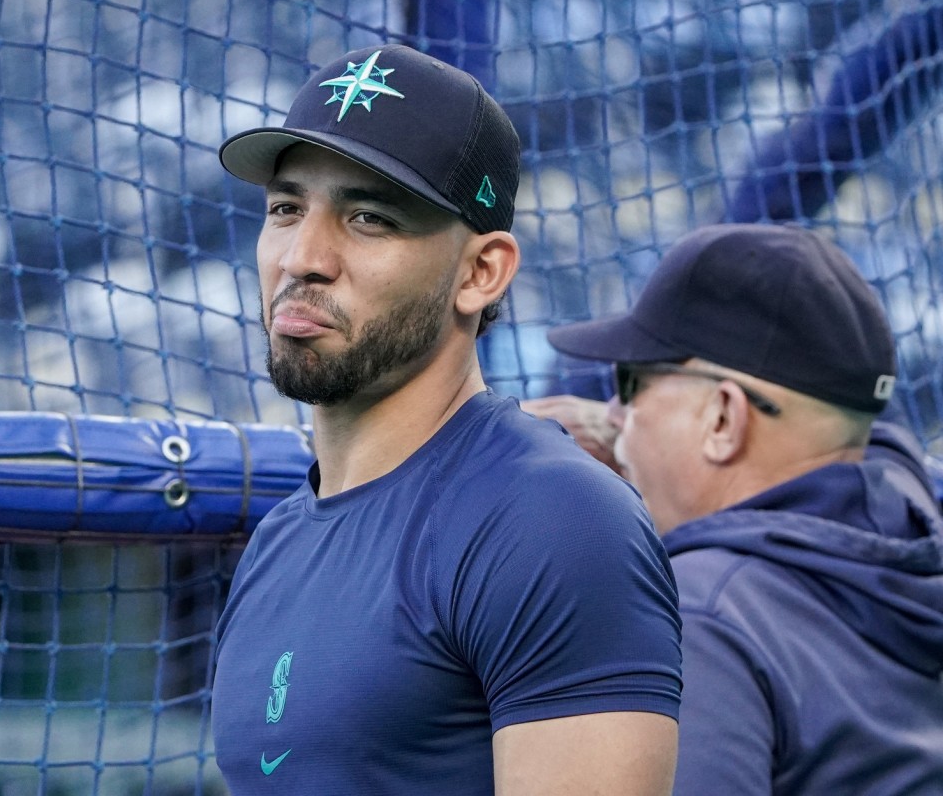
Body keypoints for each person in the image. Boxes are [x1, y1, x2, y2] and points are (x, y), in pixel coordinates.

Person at [210, 44, 682, 794]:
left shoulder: (550, 519)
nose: (303, 256)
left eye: (369, 217)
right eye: (286, 208)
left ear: (480, 272)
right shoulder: (281, 538)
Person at [530, 222, 943, 795]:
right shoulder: (914, 540)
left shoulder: (706, 615)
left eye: (630, 383)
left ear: (723, 418)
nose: (614, 413)